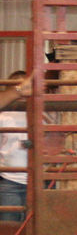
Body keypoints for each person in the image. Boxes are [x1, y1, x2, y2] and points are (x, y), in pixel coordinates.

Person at [0, 71, 30, 221]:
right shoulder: (3, 116)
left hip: (37, 181)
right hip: (10, 179)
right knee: (8, 227)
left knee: (38, 228)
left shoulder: (42, 113)